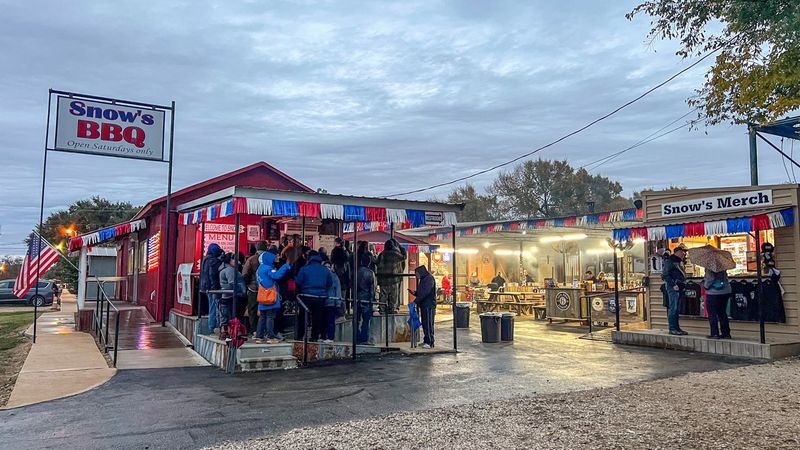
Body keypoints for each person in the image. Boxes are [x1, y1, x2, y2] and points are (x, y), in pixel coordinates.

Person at [256, 248, 292, 343]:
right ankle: (270, 336)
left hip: (262, 295)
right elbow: (276, 276)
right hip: (270, 296)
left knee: (262, 317)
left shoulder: (259, 269)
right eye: (273, 258)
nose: (275, 259)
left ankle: (259, 336)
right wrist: (285, 266)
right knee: (270, 317)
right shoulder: (268, 268)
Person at [295, 251, 333, 342]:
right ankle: (314, 336)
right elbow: (330, 283)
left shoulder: (304, 269)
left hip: (306, 296)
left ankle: (300, 336)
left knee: (303, 317)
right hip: (320, 297)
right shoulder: (325, 270)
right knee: (317, 317)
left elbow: (298, 282)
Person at [376, 238, 407, 314]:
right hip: (394, 278)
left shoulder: (382, 254)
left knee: (383, 295)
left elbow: (377, 263)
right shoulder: (395, 254)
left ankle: (382, 309)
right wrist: (400, 247)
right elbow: (404, 257)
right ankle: (392, 309)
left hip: (383, 279)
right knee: (394, 295)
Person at [219, 253, 246, 339]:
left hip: (226, 296)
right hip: (232, 296)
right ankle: (234, 332)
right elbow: (232, 283)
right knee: (233, 315)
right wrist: (241, 289)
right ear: (229, 260)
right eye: (234, 259)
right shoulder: (230, 270)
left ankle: (225, 331)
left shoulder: (224, 269)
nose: (236, 261)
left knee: (225, 315)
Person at [243, 241, 268, 335]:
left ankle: (253, 329)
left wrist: (247, 284)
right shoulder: (268, 259)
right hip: (266, 287)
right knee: (265, 309)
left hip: (253, 288)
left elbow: (245, 274)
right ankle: (264, 329)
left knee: (252, 308)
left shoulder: (251, 259)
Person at [663, 245, 688, 336]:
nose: (684, 254)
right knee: (673, 308)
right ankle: (672, 328)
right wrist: (673, 285)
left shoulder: (679, 262)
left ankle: (677, 328)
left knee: (677, 308)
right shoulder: (670, 261)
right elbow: (665, 275)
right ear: (678, 252)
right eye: (683, 252)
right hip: (673, 287)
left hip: (679, 286)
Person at [409, 265, 436, 349]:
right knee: (425, 323)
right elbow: (422, 292)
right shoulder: (424, 279)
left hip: (428, 305)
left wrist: (415, 301)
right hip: (424, 305)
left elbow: (425, 293)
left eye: (417, 274)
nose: (416, 276)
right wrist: (415, 293)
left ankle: (429, 341)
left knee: (428, 323)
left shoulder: (428, 279)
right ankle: (426, 340)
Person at [200, 243, 224, 333]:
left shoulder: (205, 260)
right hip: (212, 287)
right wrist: (214, 287)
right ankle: (213, 326)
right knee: (214, 307)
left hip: (206, 287)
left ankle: (212, 326)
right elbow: (212, 275)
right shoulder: (213, 261)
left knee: (212, 306)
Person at [704, 268, 732, 339]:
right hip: (725, 291)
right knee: (722, 313)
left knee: (712, 313)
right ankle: (726, 333)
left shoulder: (710, 266)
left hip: (713, 292)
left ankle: (714, 333)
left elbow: (710, 279)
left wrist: (705, 286)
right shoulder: (723, 265)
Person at [356, 256, 376, 344]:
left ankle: (356, 337)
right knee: (366, 320)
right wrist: (372, 300)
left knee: (356, 319)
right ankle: (364, 338)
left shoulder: (356, 272)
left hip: (356, 297)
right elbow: (372, 289)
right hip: (366, 298)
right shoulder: (370, 273)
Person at [323, 260, 342, 342]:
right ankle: (330, 337)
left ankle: (326, 336)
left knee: (327, 320)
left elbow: (338, 290)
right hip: (331, 301)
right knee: (330, 320)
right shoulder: (334, 276)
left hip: (326, 301)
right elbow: (338, 291)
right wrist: (338, 303)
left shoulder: (324, 276)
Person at [330, 238, 351, 308]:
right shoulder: (346, 252)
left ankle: (337, 311)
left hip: (337, 276)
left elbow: (332, 261)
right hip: (344, 279)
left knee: (335, 296)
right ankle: (342, 311)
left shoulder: (334, 251)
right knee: (343, 296)